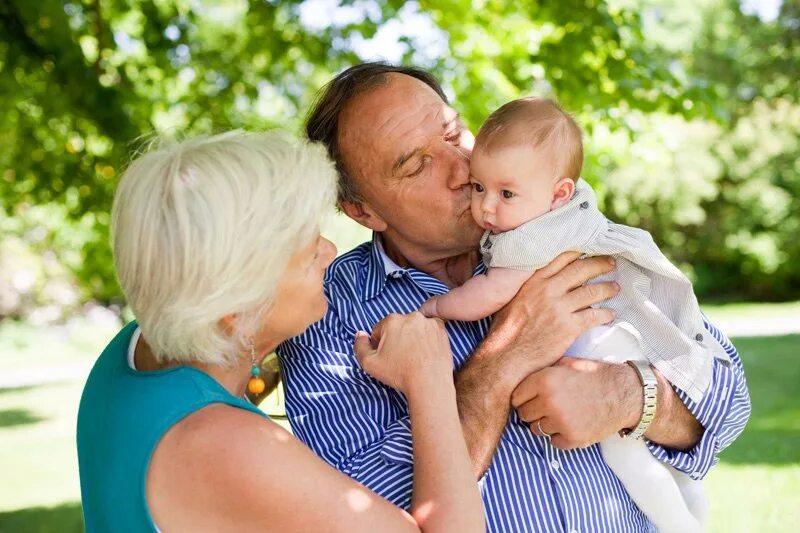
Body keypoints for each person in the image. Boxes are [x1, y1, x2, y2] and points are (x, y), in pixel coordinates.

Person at [277, 63, 752, 532]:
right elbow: (371, 512)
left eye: (452, 134)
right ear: (363, 210)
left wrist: (628, 396)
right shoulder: (323, 315)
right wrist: (505, 359)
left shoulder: (557, 229)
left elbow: (729, 402)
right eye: (418, 164)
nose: (463, 170)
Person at [76, 131, 485, 533]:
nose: (330, 251)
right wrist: (429, 379)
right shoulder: (225, 448)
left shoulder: (134, 349)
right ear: (239, 306)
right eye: (308, 254)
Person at [420, 96, 730, 531]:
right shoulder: (560, 211)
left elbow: (488, 294)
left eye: (505, 193)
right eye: (479, 188)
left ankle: (682, 522)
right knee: (640, 459)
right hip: (612, 338)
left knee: (627, 459)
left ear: (559, 193)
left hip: (602, 349)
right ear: (362, 210)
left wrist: (435, 308)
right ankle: (689, 501)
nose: (486, 206)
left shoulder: (528, 238)